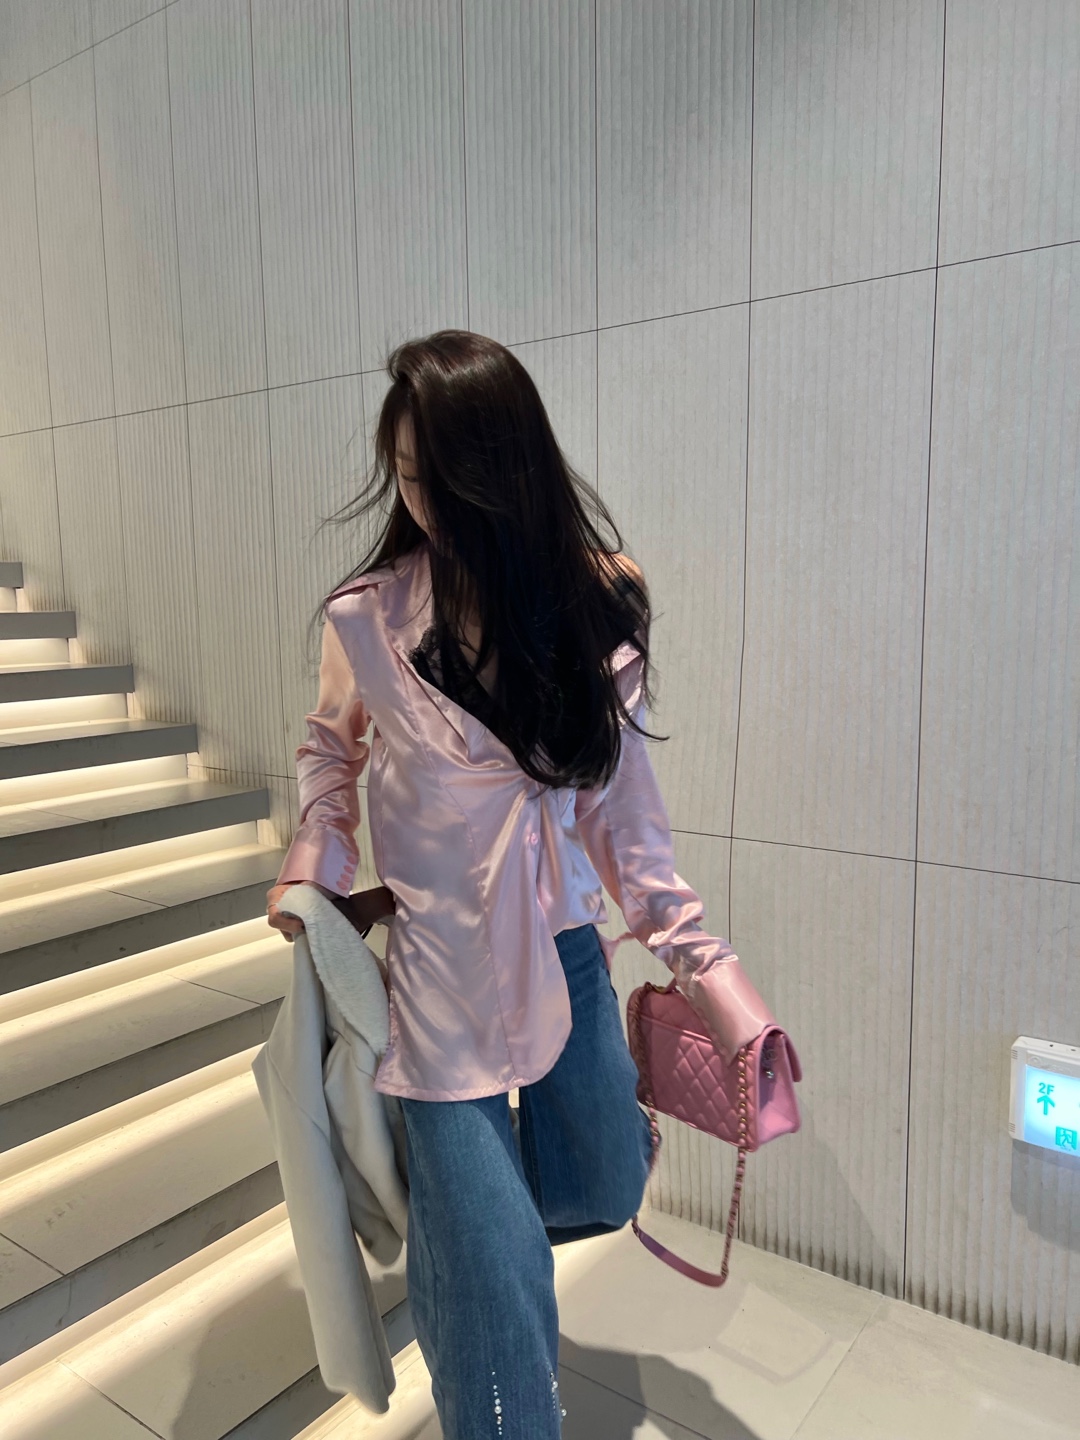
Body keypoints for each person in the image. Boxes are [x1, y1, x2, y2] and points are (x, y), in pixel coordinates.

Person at [265, 330, 773, 1438]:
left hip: (565, 953)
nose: (424, 504)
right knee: (495, 1287)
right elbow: (327, 752)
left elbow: (623, 817)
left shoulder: (595, 603)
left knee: (604, 1181)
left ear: (507, 469)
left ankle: (478, 1241)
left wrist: (714, 979)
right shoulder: (368, 616)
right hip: (437, 981)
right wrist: (318, 867)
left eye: (444, 478)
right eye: (406, 477)